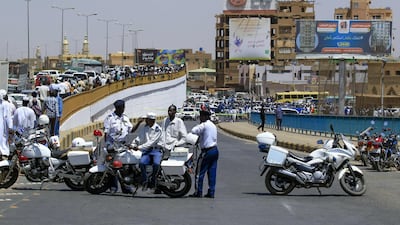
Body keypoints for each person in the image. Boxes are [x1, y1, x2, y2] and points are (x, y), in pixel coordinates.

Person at [103, 99, 133, 194]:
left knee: (124, 166)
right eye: (120, 108)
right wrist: (107, 145)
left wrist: (139, 123)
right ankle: (113, 186)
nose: (122, 110)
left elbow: (131, 130)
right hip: (113, 143)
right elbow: (106, 133)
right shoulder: (110, 118)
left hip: (123, 144)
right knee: (113, 166)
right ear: (117, 108)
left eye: (122, 108)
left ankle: (125, 187)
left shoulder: (125, 118)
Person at [189, 110, 219, 198]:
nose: (200, 118)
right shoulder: (213, 125)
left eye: (201, 116)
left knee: (199, 172)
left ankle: (198, 192)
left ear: (205, 117)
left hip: (206, 151)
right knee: (212, 172)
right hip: (215, 150)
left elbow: (193, 130)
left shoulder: (204, 125)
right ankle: (211, 192)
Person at [131, 112, 162, 191]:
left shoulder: (158, 129)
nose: (145, 121)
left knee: (156, 164)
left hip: (155, 150)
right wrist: (133, 144)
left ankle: (153, 180)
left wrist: (139, 147)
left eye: (147, 119)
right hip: (147, 151)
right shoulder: (145, 128)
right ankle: (145, 181)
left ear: (152, 120)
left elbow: (151, 143)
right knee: (141, 163)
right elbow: (139, 138)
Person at [0, 90, 13, 160]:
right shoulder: (6, 104)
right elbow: (8, 117)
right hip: (3, 127)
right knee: (3, 141)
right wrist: (11, 127)